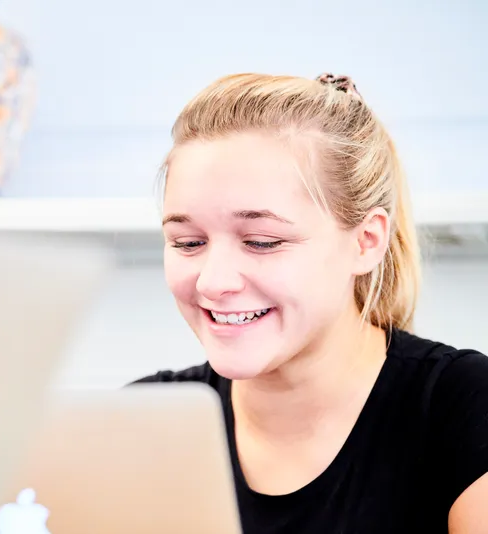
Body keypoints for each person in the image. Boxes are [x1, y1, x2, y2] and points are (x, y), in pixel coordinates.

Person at [131, 72, 488, 533]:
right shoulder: (143, 422)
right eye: (187, 243)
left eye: (261, 241)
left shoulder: (462, 407)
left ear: (365, 241)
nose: (213, 282)